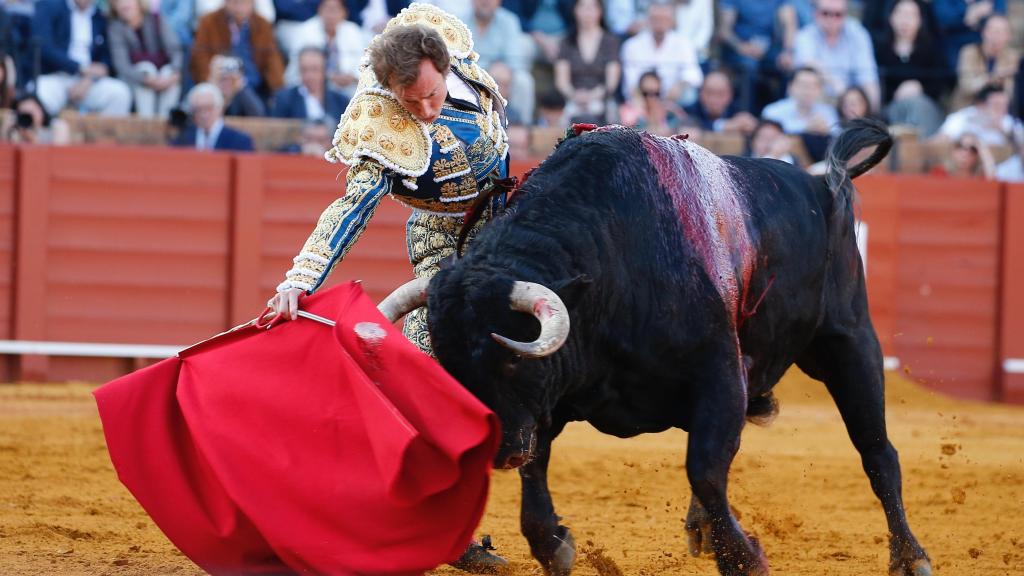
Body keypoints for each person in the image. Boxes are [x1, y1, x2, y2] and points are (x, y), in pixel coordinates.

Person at [266, 7, 510, 570]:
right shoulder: (379, 124)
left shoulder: (448, 43)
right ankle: (438, 528)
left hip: (507, 226)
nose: (424, 111)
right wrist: (300, 279)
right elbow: (348, 209)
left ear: (445, 65)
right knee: (429, 367)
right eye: (411, 102)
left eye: (430, 94)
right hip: (442, 243)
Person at [31, 0, 132, 117]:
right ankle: (52, 132)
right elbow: (44, 48)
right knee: (39, 96)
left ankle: (102, 134)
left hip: (89, 80)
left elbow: (106, 56)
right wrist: (79, 68)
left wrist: (90, 78)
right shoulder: (50, 6)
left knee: (120, 94)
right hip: (55, 76)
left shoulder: (99, 16)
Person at [793, 0, 880, 110]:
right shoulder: (805, 36)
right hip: (818, 98)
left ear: (846, 14)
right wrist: (840, 88)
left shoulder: (858, 34)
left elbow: (867, 75)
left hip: (850, 100)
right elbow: (808, 66)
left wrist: (873, 110)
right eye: (825, 13)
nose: (831, 19)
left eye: (838, 14)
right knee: (808, 88)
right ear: (815, 13)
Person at [191, 0, 284, 100]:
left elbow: (272, 60)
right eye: (235, 2)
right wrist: (208, 83)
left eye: (244, 3)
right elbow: (199, 57)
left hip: (253, 86)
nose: (239, 8)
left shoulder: (263, 25)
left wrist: (278, 90)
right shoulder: (208, 22)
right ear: (225, 3)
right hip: (220, 83)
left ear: (252, 4)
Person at [717, 0, 797, 113]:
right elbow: (724, 31)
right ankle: (745, 116)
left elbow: (789, 24)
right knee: (749, 65)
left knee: (786, 66)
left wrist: (787, 52)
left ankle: (779, 116)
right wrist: (741, 47)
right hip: (738, 50)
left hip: (769, 50)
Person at [108, 0, 184, 118]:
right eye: (118, 1)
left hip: (162, 75)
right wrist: (147, 79)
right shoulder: (115, 28)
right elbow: (122, 66)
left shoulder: (155, 19)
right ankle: (147, 121)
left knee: (169, 72)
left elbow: (175, 50)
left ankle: (164, 122)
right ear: (114, 6)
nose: (124, 4)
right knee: (146, 68)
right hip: (134, 79)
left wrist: (174, 73)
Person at [620, 0, 701, 107]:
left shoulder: (683, 44)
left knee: (689, 95)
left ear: (672, 21)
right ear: (648, 20)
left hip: (674, 100)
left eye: (664, 19)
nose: (660, 23)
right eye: (656, 19)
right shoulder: (631, 45)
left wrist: (680, 86)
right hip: (642, 99)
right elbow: (630, 82)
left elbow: (694, 75)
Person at [284, 0, 368, 97]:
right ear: (319, 10)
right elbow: (295, 71)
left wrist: (353, 77)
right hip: (313, 90)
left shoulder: (353, 31)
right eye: (327, 9)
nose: (331, 15)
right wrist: (328, 77)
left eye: (335, 10)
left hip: (349, 89)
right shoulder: (305, 32)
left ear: (345, 13)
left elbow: (365, 64)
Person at [554, 0, 618, 124]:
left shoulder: (610, 41)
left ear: (600, 11)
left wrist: (592, 96)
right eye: (582, 7)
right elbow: (561, 81)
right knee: (562, 120)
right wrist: (574, 95)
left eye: (592, 7)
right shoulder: (566, 41)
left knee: (610, 116)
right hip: (572, 99)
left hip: (601, 98)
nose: (587, 12)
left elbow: (611, 82)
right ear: (575, 11)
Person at [953, 13, 1017, 110]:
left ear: (1009, 36)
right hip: (968, 108)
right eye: (994, 31)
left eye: (1002, 32)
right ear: (983, 32)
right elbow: (967, 86)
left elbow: (1012, 92)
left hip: (1001, 112)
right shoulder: (969, 52)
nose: (997, 36)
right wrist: (995, 77)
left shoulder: (1013, 57)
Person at [272, 46, 350, 122]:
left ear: (324, 70)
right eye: (304, 70)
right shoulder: (285, 99)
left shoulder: (340, 101)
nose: (309, 76)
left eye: (314, 69)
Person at [172, 82, 256, 150]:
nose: (203, 114)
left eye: (208, 108)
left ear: (219, 109)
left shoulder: (239, 141)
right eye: (198, 109)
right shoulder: (182, 140)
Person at [937, 83, 1021, 147]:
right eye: (997, 105)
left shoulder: (1009, 121)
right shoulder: (962, 118)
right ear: (980, 105)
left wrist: (1002, 130)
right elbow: (941, 140)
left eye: (1005, 105)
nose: (1003, 110)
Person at [761, 66, 838, 135]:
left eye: (813, 86)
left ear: (820, 90)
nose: (807, 91)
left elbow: (838, 136)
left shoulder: (828, 112)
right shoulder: (773, 111)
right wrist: (805, 128)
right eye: (803, 85)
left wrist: (826, 131)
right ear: (790, 87)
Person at [931, 0, 1006, 70]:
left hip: (983, 49)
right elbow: (943, 18)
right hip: (952, 48)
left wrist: (975, 14)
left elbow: (1000, 14)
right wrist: (967, 15)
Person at [682, 70, 758, 135]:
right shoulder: (687, 111)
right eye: (709, 93)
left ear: (730, 95)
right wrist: (723, 126)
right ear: (701, 93)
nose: (714, 99)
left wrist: (750, 126)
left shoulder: (738, 110)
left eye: (720, 94)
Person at [931, 132, 995, 179]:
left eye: (973, 149)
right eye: (959, 146)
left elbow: (992, 185)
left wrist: (983, 150)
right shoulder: (939, 172)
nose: (965, 153)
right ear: (952, 150)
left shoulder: (981, 177)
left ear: (978, 156)